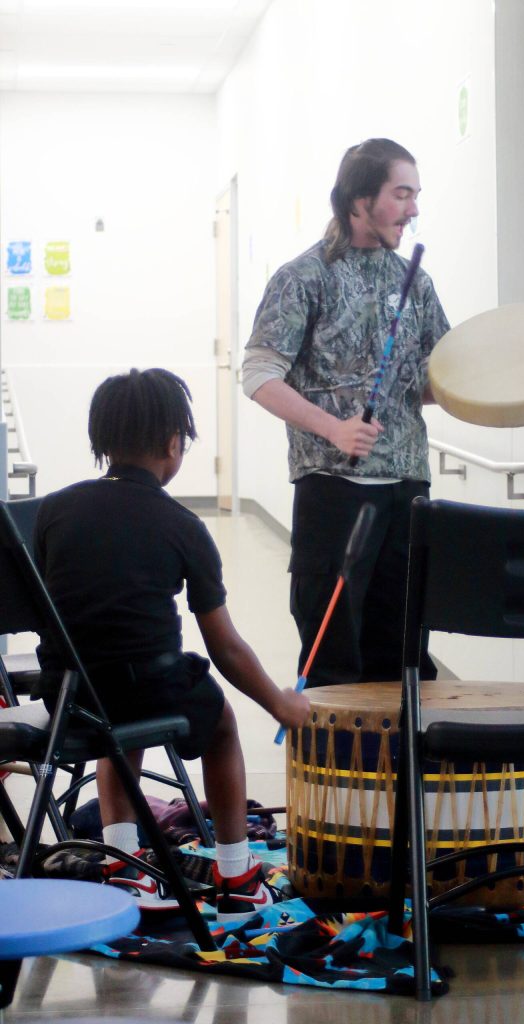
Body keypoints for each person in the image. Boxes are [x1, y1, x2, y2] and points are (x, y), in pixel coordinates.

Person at [32, 367, 310, 920]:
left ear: (102, 442)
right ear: (173, 444)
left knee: (117, 728)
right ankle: (238, 876)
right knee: (220, 723)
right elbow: (225, 647)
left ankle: (123, 863)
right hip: (149, 688)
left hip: (72, 697)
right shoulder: (183, 525)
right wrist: (280, 703)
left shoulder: (53, 512)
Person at [242, 138, 450, 687]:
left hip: (408, 488)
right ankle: (336, 772)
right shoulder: (304, 276)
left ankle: (399, 769)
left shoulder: (417, 282)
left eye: (415, 195)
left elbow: (434, 382)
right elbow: (259, 375)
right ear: (359, 199)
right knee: (333, 647)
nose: (413, 209)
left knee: (403, 645)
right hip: (335, 491)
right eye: (401, 194)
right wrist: (333, 428)